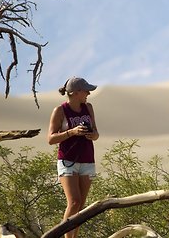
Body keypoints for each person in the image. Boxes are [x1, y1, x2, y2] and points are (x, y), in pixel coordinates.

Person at [47, 76, 99, 238]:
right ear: (76, 93)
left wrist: (92, 134)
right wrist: (72, 132)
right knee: (74, 202)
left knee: (81, 207)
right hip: (67, 161)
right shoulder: (60, 111)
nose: (88, 94)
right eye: (86, 91)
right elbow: (50, 138)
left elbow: (96, 133)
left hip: (87, 160)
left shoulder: (88, 107)